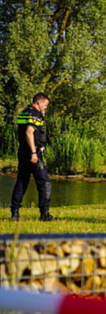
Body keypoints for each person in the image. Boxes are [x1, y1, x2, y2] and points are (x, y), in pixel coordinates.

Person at [10, 93, 58, 221]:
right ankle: (44, 214)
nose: (46, 107)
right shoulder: (35, 115)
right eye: (45, 105)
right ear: (38, 103)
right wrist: (33, 153)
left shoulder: (23, 113)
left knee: (22, 181)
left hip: (22, 151)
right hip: (33, 152)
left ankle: (15, 213)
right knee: (45, 183)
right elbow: (29, 132)